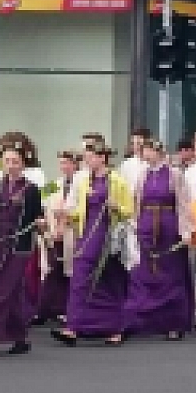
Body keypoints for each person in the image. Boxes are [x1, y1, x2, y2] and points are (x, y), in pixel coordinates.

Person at [52, 134, 133, 347]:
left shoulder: (117, 181)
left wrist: (117, 207)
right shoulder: (80, 181)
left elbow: (129, 211)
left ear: (102, 158)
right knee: (79, 278)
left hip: (108, 236)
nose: (86, 161)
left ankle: (114, 328)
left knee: (109, 281)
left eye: (90, 157)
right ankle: (73, 327)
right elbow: (79, 209)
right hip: (86, 234)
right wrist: (66, 216)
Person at [0, 135, 44, 356]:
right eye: (7, 161)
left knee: (3, 289)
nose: (11, 165)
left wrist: (41, 223)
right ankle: (19, 335)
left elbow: (37, 216)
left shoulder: (31, 189)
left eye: (15, 161)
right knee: (1, 288)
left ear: (23, 163)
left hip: (18, 245)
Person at [125, 139, 194, 341]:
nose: (145, 154)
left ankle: (173, 323)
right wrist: (133, 225)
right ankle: (139, 320)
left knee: (170, 274)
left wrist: (186, 230)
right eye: (143, 150)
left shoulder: (174, 174)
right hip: (146, 224)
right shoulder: (142, 174)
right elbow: (137, 202)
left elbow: (182, 203)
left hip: (168, 226)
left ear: (158, 151)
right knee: (142, 273)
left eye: (148, 150)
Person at [38, 150, 79, 323]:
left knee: (70, 271)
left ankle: (68, 309)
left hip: (72, 232)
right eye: (61, 163)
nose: (63, 167)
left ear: (75, 164)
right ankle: (46, 309)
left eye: (66, 163)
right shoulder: (55, 184)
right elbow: (40, 198)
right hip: (55, 232)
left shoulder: (82, 182)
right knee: (53, 269)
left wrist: (66, 216)